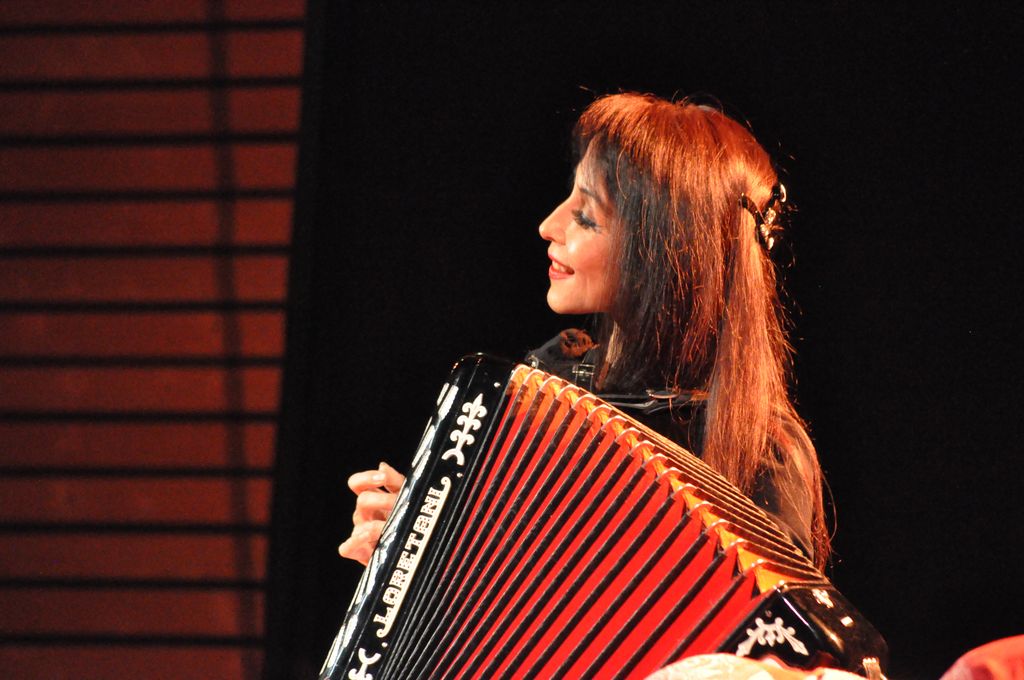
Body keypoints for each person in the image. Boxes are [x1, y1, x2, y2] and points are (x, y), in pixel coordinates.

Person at [339, 91, 829, 570]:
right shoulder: (548, 389)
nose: (547, 225)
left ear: (660, 253)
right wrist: (416, 541)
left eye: (585, 217)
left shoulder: (765, 452)